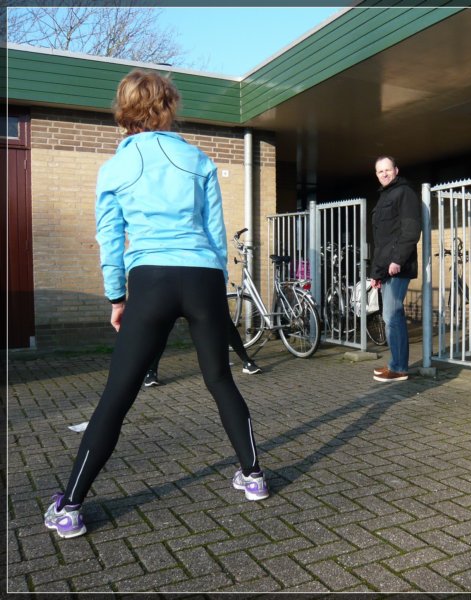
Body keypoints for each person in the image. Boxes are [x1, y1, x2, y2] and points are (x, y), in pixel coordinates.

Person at [44, 70, 269, 540]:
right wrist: (214, 283)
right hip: (202, 276)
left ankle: (69, 506)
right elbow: (214, 229)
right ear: (169, 105)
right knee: (220, 379)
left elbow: (110, 238)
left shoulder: (114, 168)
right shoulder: (199, 159)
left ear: (124, 108)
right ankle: (253, 477)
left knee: (118, 395)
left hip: (152, 279)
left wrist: (116, 295)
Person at [369, 156, 421, 382]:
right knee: (390, 317)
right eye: (380, 171)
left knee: (393, 315)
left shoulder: (404, 193)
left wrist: (397, 260)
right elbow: (382, 242)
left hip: (398, 267)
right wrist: (376, 274)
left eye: (387, 170)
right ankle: (395, 363)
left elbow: (410, 231)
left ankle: (399, 368)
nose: (384, 174)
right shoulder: (384, 196)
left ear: (396, 170)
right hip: (386, 268)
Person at [143, 316, 262, 387]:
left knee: (224, 320)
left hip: (197, 282)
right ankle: (151, 371)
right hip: (171, 285)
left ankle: (246, 361)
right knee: (162, 328)